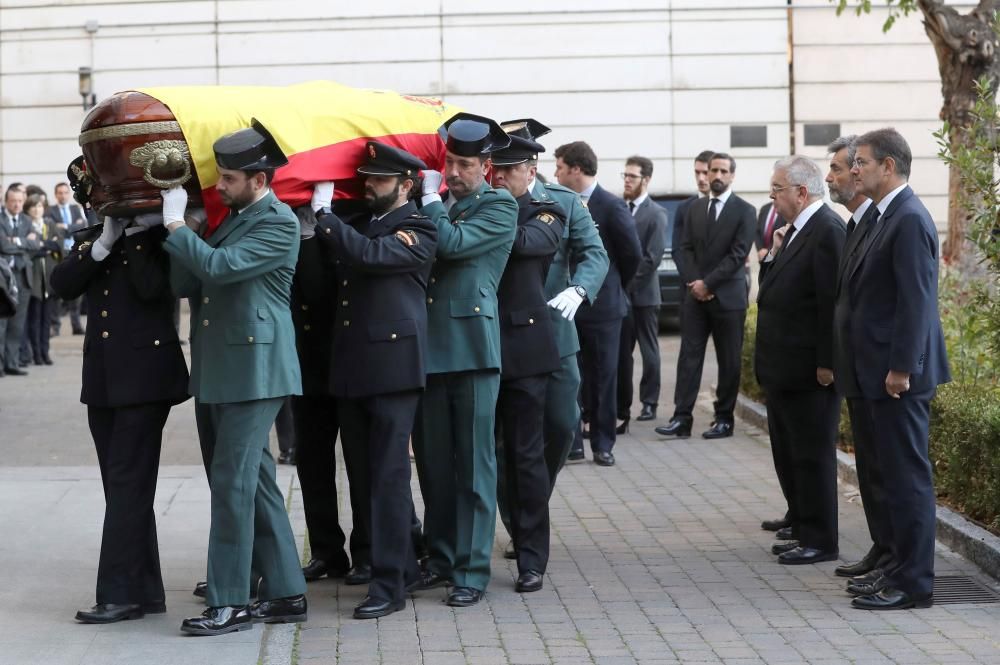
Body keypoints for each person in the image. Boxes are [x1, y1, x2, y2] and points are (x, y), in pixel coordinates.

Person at [160, 119, 308, 635]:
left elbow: (221, 271)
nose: (218, 186)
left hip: (255, 370)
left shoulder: (278, 221)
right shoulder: (233, 216)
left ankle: (232, 600)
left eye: (227, 178)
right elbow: (188, 280)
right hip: (226, 367)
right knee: (257, 482)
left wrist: (181, 230)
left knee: (232, 482)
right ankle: (287, 590)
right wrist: (193, 228)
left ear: (259, 180)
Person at [311, 142, 438, 619]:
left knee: (386, 477)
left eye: (380, 179)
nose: (369, 185)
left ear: (406, 185)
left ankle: (389, 587)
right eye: (366, 178)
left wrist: (325, 217)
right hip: (356, 368)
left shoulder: (418, 227)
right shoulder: (363, 222)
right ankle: (403, 565)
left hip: (392, 370)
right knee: (367, 478)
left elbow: (369, 256)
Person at [50, 213, 189, 624]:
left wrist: (138, 234)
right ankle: (145, 589)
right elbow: (61, 284)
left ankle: (119, 594)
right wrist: (104, 242)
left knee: (128, 484)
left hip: (146, 381)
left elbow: (154, 289)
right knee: (124, 489)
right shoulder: (97, 237)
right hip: (103, 381)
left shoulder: (164, 237)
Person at [410, 112, 517, 607]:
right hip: (429, 349)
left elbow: (450, 246)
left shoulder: (497, 207)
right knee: (434, 465)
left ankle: (472, 570)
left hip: (472, 350)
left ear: (487, 167)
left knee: (475, 466)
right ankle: (442, 557)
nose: (453, 173)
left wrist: (430, 200)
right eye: (448, 162)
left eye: (464, 165)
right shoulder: (433, 204)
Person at [842, 128, 950, 610]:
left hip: (898, 378)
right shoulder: (887, 215)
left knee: (907, 480)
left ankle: (913, 584)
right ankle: (894, 568)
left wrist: (902, 368)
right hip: (878, 374)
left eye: (862, 161)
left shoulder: (908, 218)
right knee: (889, 476)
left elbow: (916, 301)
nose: (855, 168)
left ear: (889, 166)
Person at [755, 156, 844, 565]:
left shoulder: (826, 230)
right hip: (784, 369)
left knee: (812, 456)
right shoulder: (793, 231)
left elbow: (832, 304)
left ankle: (821, 539)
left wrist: (828, 362)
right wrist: (772, 254)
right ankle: (803, 526)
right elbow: (770, 292)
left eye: (777, 190)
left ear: (801, 192)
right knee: (791, 454)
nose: (772, 197)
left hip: (810, 371)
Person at [490, 127, 565, 592]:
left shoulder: (546, 212)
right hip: (477, 344)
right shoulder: (475, 208)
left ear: (530, 172)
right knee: (480, 455)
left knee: (526, 455)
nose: (500, 177)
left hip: (524, 349)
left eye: (510, 170)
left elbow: (523, 245)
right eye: (494, 169)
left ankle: (532, 554)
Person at [825, 135, 891, 582]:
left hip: (886, 372)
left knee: (893, 476)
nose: (837, 176)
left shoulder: (895, 220)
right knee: (871, 472)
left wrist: (902, 366)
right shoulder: (858, 222)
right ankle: (883, 552)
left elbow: (912, 302)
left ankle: (899, 567)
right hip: (862, 370)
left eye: (845, 167)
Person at [656, 153, 756, 439]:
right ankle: (681, 418)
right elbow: (683, 249)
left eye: (724, 171)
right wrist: (694, 282)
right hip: (695, 297)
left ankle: (724, 419)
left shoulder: (745, 211)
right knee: (689, 357)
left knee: (729, 362)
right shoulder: (695, 209)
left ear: (732, 176)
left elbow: (738, 254)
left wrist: (709, 284)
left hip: (728, 298)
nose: (717, 176)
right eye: (714, 170)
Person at [555, 141, 640, 467]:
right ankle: (573, 443)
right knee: (570, 377)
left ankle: (603, 444)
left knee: (604, 377)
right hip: (568, 306)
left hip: (604, 309)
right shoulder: (559, 202)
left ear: (576, 169)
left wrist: (614, 287)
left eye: (560, 166)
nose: (557, 172)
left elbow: (631, 255)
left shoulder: (611, 206)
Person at [288, 204, 359, 586]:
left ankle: (366, 551)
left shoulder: (351, 221)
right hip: (308, 366)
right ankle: (326, 551)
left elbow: (318, 289)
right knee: (312, 464)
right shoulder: (288, 224)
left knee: (361, 463)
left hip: (348, 361)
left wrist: (315, 229)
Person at [617, 155, 668, 427]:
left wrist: (626, 284)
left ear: (645, 180)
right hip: (622, 296)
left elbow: (652, 258)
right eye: (624, 175)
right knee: (622, 354)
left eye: (632, 176)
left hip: (645, 295)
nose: (626, 180)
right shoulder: (620, 209)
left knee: (650, 352)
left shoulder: (656, 213)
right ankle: (621, 405)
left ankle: (650, 403)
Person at [0, 186, 37, 376]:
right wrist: (23, 242)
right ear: (6, 201)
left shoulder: (27, 220)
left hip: (23, 278)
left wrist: (14, 241)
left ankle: (12, 364)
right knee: (1, 323)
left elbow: (36, 244)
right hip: (3, 279)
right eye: (13, 200)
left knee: (17, 323)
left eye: (19, 201)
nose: (16, 204)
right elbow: (2, 244)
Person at [23, 194, 60, 365]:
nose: (36, 210)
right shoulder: (25, 225)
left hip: (49, 279)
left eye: (39, 206)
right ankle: (36, 353)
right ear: (28, 210)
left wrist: (41, 245)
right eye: (33, 207)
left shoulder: (49, 224)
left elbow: (58, 246)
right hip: (34, 280)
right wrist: (46, 245)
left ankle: (45, 352)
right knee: (35, 318)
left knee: (47, 320)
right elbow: (28, 251)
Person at [672, 150, 715, 279]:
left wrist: (711, 283)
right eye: (697, 173)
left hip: (721, 287)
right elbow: (677, 249)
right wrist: (693, 280)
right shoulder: (683, 208)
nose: (701, 178)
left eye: (705, 173)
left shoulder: (733, 207)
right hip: (691, 286)